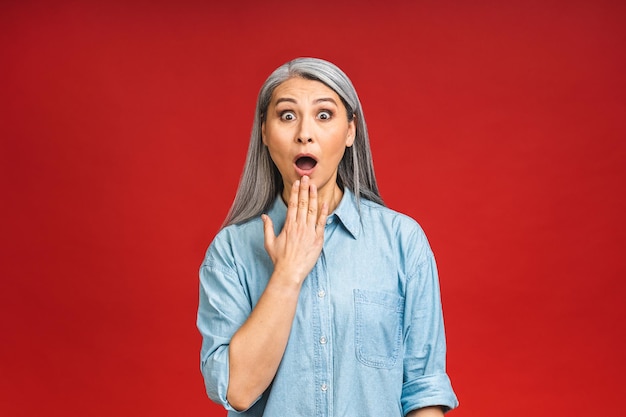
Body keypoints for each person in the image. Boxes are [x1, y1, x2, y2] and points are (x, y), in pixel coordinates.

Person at [197, 57, 458, 416]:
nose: (305, 132)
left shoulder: (402, 242)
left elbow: (424, 390)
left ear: (350, 132)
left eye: (324, 115)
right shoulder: (230, 253)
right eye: (287, 115)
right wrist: (287, 275)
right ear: (263, 132)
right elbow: (238, 391)